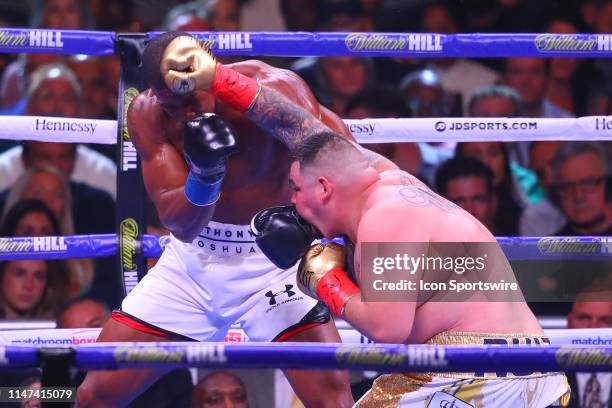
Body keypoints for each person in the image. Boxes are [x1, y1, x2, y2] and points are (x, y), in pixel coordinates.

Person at [76, 31, 353, 407]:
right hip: (193, 267)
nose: (188, 113)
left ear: (212, 72)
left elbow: (343, 159)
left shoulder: (273, 89)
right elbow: (182, 224)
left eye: (192, 98)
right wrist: (206, 175)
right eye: (175, 105)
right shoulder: (149, 114)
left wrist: (318, 230)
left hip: (275, 265)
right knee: (94, 395)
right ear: (157, 95)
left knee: (333, 401)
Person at [282, 131, 570, 406]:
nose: (292, 201)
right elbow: (333, 144)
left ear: (323, 187)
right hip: (523, 370)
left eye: (296, 189)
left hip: (478, 373)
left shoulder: (384, 215)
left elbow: (387, 327)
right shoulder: (396, 187)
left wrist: (326, 281)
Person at [566, 286, 612, 407]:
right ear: (569, 322)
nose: (593, 328)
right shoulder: (548, 375)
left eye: (606, 320)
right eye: (584, 318)